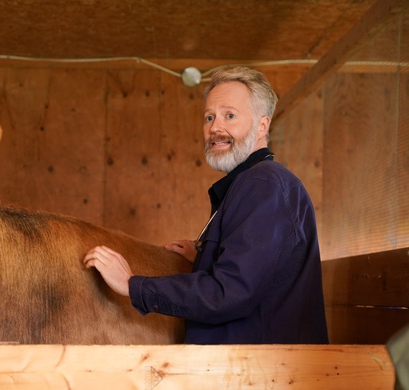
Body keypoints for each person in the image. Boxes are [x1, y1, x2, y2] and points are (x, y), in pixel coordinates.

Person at [84, 66, 329, 344]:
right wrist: (206, 257)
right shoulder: (253, 182)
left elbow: (229, 293)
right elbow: (254, 273)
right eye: (209, 117)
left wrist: (132, 284)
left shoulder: (262, 184)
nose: (215, 128)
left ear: (262, 125)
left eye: (230, 115)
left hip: (258, 376)